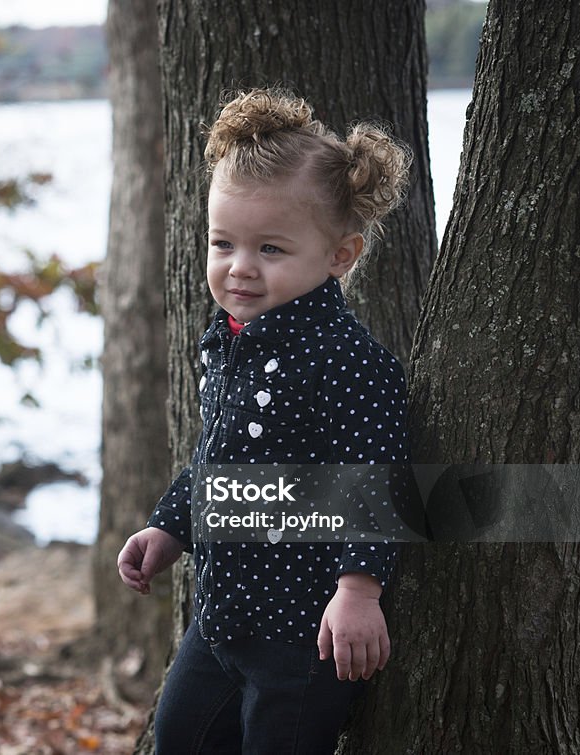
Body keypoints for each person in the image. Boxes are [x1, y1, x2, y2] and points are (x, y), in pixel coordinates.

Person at [116, 88, 412, 754]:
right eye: (224, 243)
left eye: (271, 249)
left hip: (302, 636)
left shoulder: (346, 360)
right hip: (220, 620)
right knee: (179, 736)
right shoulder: (226, 337)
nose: (240, 267)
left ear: (340, 254)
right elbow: (216, 458)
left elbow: (379, 480)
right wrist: (169, 525)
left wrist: (358, 589)